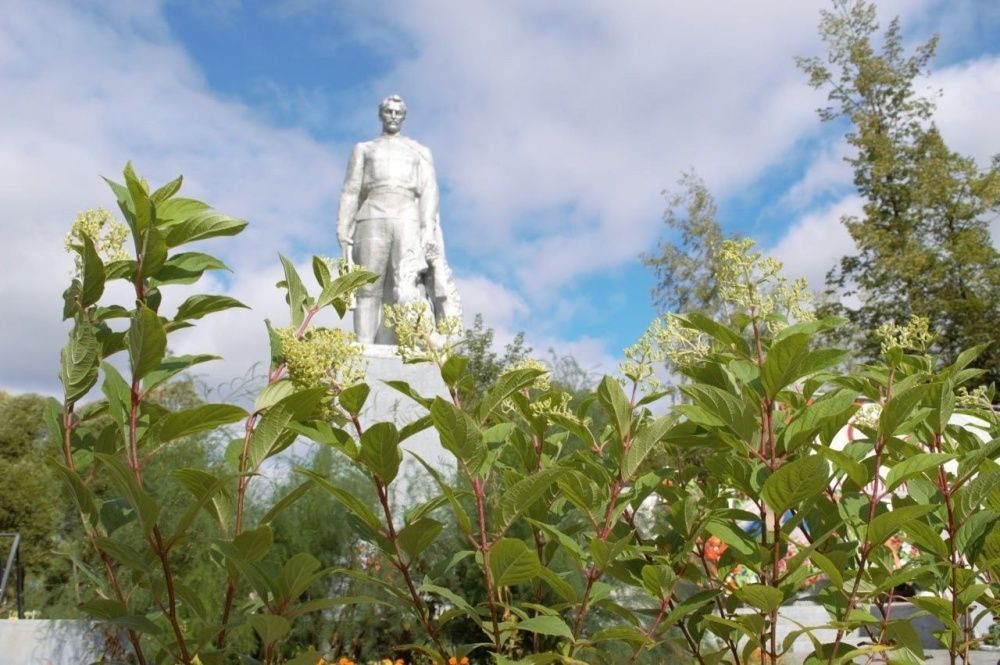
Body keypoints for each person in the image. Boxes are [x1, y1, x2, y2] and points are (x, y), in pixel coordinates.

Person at [336, 94, 460, 343]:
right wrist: (342, 227)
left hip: (407, 216)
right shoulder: (364, 149)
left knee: (405, 288)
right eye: (389, 111)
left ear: (404, 117)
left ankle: (396, 346)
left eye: (398, 112)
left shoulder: (419, 151)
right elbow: (351, 190)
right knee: (367, 285)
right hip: (371, 214)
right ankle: (364, 349)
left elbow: (429, 190)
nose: (393, 116)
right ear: (381, 114)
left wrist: (427, 229)